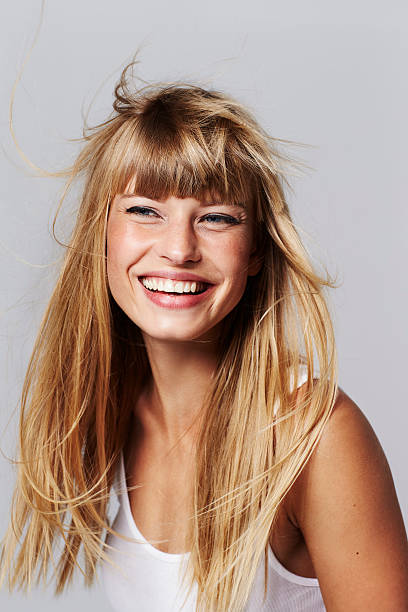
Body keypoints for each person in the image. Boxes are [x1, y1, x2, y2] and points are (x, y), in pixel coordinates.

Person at [1, 60, 407, 612]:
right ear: (103, 235)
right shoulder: (107, 415)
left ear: (258, 249)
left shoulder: (313, 439)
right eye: (144, 210)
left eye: (217, 218)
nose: (179, 248)